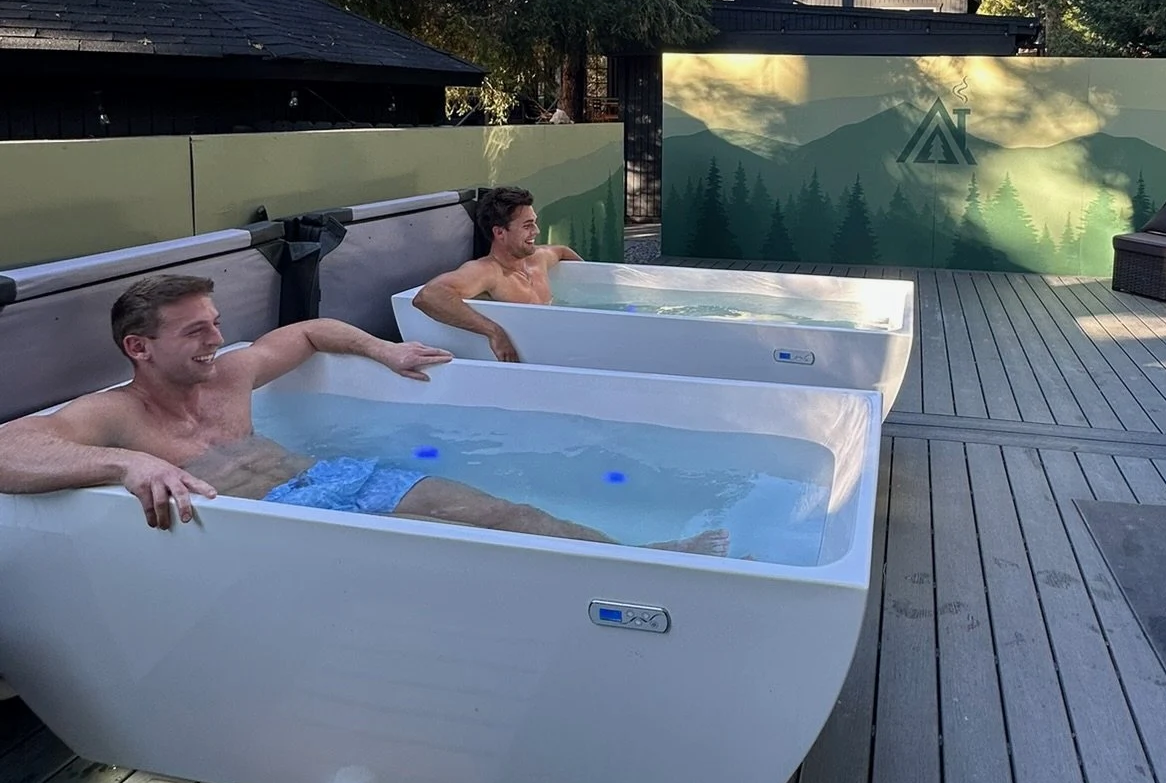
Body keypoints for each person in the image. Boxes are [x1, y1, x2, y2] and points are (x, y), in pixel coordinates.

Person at [0, 273, 723, 551]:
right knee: (477, 552)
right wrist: (127, 461)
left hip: (340, 480)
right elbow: (9, 449)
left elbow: (309, 331)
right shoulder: (113, 416)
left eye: (216, 323)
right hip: (288, 527)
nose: (218, 339)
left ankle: (647, 561)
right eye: (196, 331)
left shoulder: (230, 375)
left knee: (509, 518)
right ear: (139, 347)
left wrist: (386, 353)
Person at [412, 186, 578, 363]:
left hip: (559, 344)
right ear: (499, 232)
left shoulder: (539, 258)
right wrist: (494, 332)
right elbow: (428, 296)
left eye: (534, 222)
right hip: (530, 357)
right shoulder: (488, 272)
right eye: (527, 225)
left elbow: (562, 251)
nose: (536, 231)